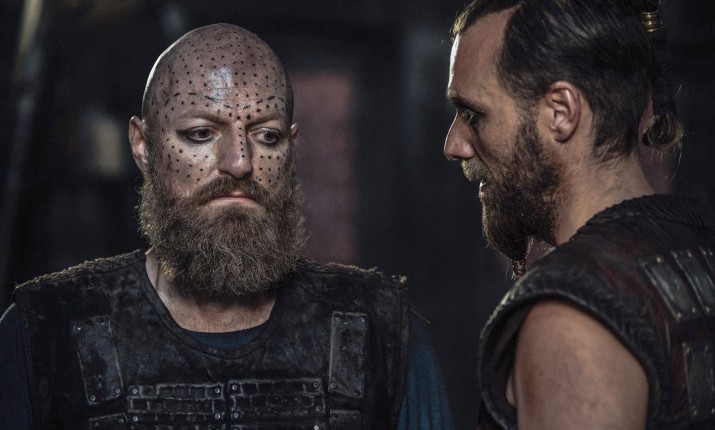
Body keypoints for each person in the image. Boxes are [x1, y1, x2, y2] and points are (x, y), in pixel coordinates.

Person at [0, 23, 455, 430]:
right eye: (201, 133)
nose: (239, 163)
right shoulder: (42, 333)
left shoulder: (382, 332)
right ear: (143, 147)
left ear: (291, 149)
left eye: (267, 136)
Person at [444, 0, 715, 429]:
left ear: (561, 112)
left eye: (473, 114)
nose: (454, 145)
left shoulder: (571, 321)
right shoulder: (701, 248)